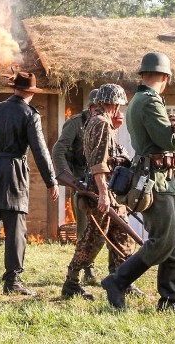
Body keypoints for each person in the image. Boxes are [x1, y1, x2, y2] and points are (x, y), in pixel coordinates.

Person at [101, 52, 175, 313]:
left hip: (163, 180)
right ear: (164, 77)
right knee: (162, 241)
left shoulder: (141, 100)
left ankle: (169, 300)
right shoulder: (149, 102)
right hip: (155, 181)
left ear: (143, 75)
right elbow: (169, 141)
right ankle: (117, 281)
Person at [0, 71, 59, 296]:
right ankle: (12, 280)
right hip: (14, 172)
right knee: (15, 227)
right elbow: (40, 150)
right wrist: (51, 181)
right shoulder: (30, 114)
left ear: (14, 88)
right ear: (31, 92)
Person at [60, 84, 139, 301]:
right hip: (102, 188)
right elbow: (98, 162)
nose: (120, 110)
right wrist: (103, 193)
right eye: (118, 105)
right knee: (93, 238)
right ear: (112, 104)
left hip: (110, 189)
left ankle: (123, 280)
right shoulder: (101, 124)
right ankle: (72, 282)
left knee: (122, 235)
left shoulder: (100, 123)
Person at [51, 88, 100, 285]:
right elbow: (58, 150)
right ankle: (83, 272)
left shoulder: (104, 125)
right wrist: (69, 178)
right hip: (82, 184)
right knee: (84, 230)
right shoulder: (76, 124)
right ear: (91, 107)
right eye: (99, 107)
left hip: (100, 183)